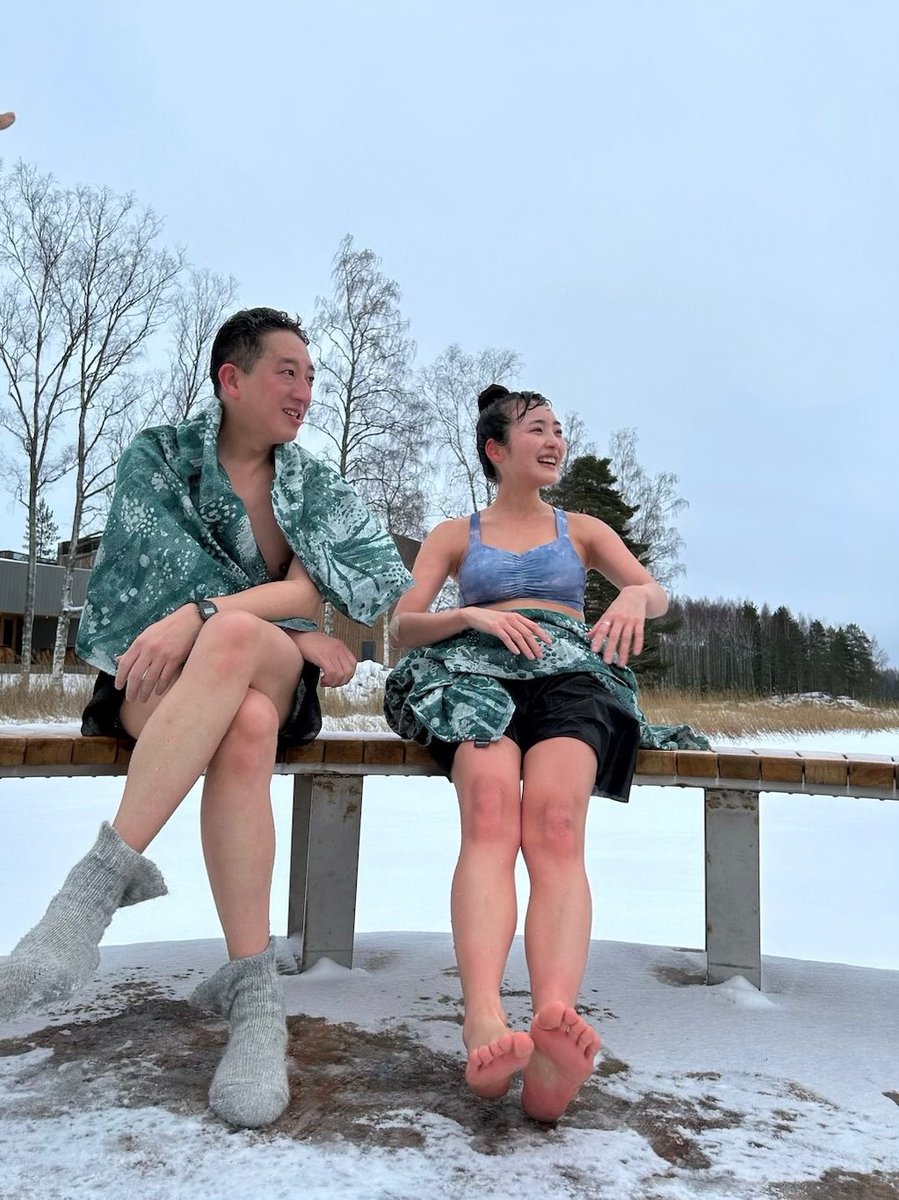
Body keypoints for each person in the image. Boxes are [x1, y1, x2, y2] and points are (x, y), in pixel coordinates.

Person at [0, 307, 411, 1129]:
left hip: (251, 654)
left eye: (311, 376)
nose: (304, 391)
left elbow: (306, 592)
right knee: (246, 726)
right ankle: (254, 997)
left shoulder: (309, 484)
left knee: (229, 639)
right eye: (287, 372)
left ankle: (92, 891)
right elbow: (145, 581)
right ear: (232, 378)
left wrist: (207, 613)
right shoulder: (160, 456)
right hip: (157, 672)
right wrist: (236, 620)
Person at [385, 383, 706, 1123]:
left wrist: (635, 597)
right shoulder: (454, 534)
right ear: (496, 449)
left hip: (570, 678)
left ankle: (555, 1025)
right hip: (475, 675)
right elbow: (404, 625)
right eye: (536, 429)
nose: (554, 440)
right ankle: (483, 1020)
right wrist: (469, 616)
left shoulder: (582, 529)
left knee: (557, 825)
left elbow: (652, 591)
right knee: (490, 813)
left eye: (558, 429)